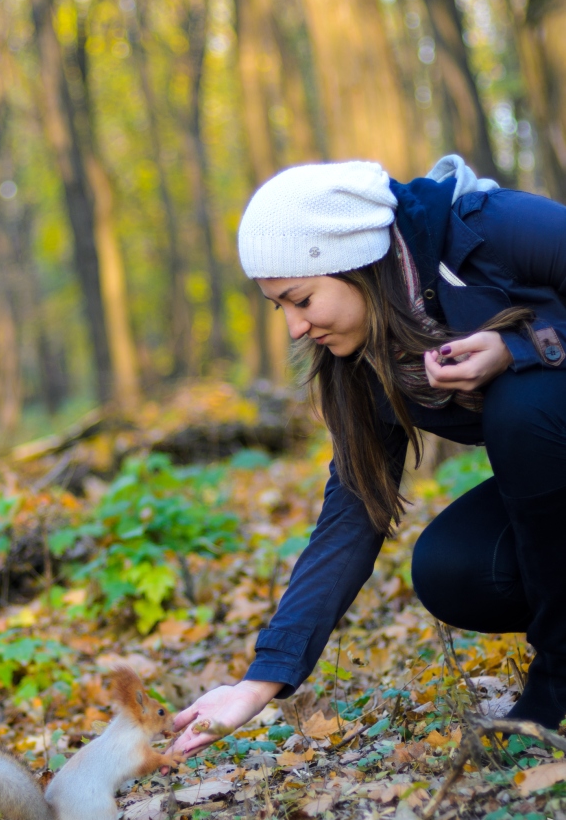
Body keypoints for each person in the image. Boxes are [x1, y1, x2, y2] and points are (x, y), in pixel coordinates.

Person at [172, 154, 566, 754]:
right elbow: (352, 514)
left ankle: (557, 682)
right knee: (454, 569)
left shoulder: (492, 230)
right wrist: (258, 684)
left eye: (301, 300)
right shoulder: (360, 358)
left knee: (523, 405)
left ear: (351, 261)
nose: (294, 329)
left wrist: (520, 347)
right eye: (279, 307)